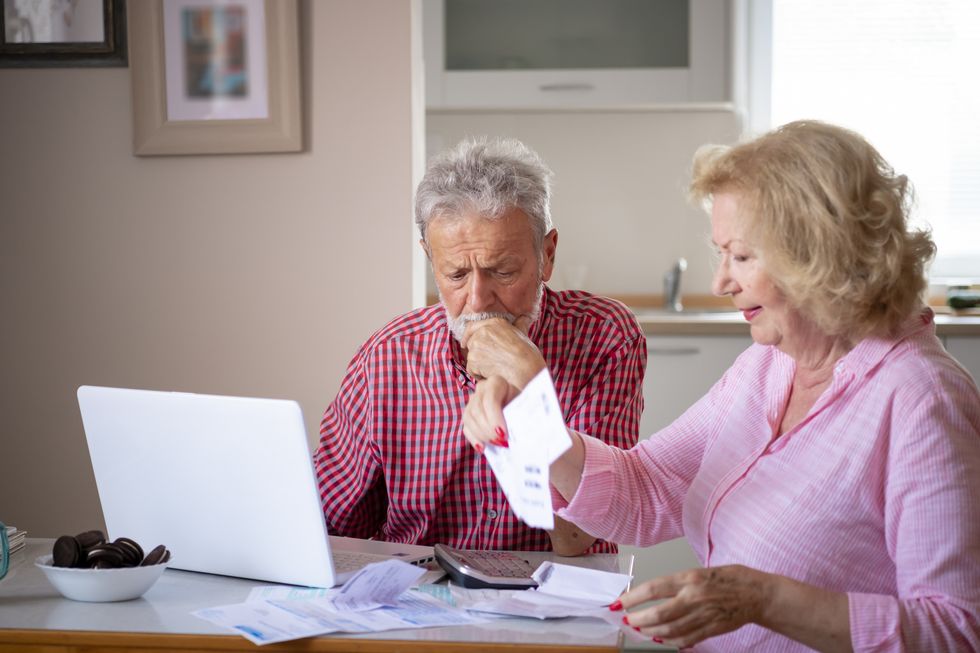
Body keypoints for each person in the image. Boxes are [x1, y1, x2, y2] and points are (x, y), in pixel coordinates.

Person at [463, 121, 980, 650]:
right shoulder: (770, 364)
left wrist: (764, 599)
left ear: (819, 252)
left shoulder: (923, 401)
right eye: (721, 253)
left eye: (742, 255)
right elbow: (647, 486)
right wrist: (536, 414)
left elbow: (957, 632)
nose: (720, 282)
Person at [313, 137, 646, 556]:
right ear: (430, 258)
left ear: (547, 253)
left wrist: (530, 389)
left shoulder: (605, 337)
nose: (477, 301)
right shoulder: (388, 356)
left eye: (503, 271)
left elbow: (577, 539)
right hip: (421, 598)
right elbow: (328, 528)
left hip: (553, 597)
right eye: (455, 275)